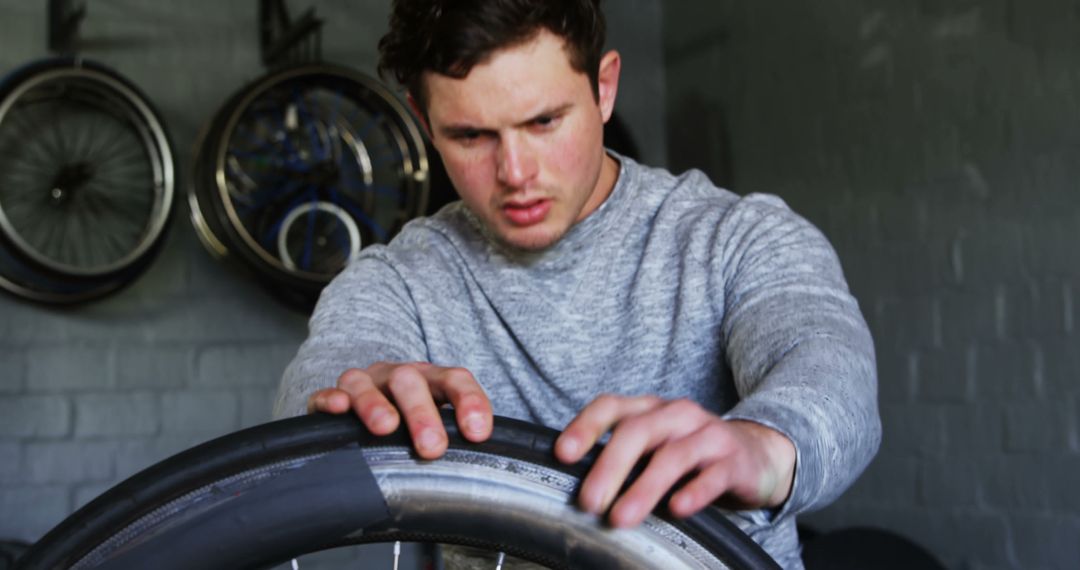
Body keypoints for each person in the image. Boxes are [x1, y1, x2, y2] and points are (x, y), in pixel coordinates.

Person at [274, 0, 881, 567]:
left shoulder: (738, 237)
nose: (516, 173)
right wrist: (351, 401)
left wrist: (762, 447)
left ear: (604, 87)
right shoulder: (399, 279)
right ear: (423, 119)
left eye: (544, 121)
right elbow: (324, 374)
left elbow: (828, 370)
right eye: (471, 135)